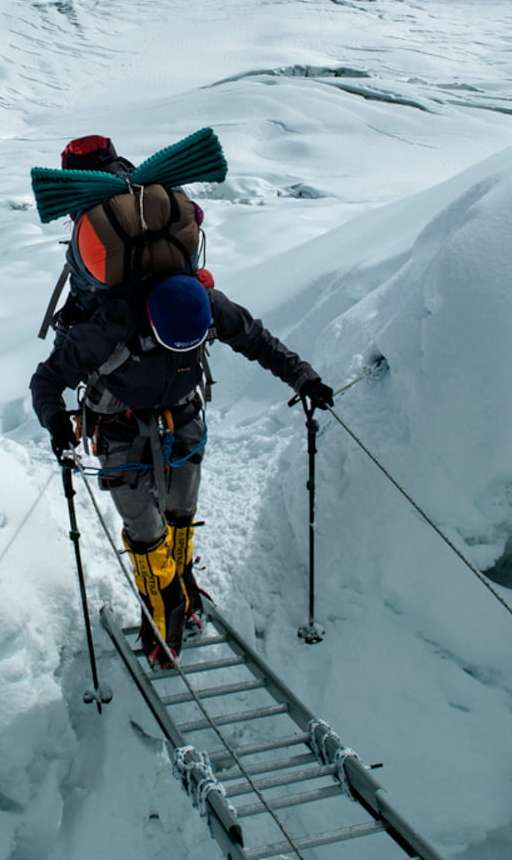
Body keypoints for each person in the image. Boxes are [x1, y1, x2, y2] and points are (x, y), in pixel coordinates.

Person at [33, 270, 333, 668]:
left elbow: (257, 340)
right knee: (145, 529)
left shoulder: (207, 304)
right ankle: (164, 610)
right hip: (118, 425)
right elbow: (47, 381)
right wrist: (57, 423)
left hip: (182, 411)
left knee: (181, 510)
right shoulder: (108, 326)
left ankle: (181, 583)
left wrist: (303, 377)